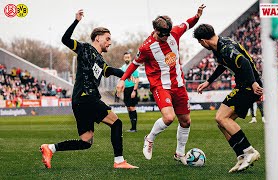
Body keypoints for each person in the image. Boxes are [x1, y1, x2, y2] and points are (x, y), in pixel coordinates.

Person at [39, 9, 138, 169]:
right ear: (98, 38)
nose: (110, 42)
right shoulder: (84, 48)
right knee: (117, 123)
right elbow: (65, 39)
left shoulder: (100, 60)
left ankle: (50, 148)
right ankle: (119, 161)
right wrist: (76, 21)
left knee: (86, 142)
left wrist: (126, 74)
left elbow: (110, 70)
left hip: (80, 101)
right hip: (86, 98)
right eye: (107, 39)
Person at [117, 4, 206, 165]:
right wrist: (123, 79)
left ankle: (179, 154)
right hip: (160, 86)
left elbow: (187, 24)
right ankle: (149, 138)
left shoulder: (174, 33)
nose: (167, 37)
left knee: (186, 121)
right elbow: (134, 64)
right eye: (164, 34)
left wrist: (197, 16)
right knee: (169, 117)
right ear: (156, 31)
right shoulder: (146, 47)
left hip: (178, 85)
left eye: (168, 34)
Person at [194, 24, 262, 172]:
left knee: (221, 118)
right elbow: (222, 66)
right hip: (245, 85)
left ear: (204, 41)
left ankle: (249, 151)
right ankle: (241, 156)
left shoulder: (226, 48)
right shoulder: (219, 46)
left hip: (248, 86)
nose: (201, 45)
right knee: (222, 123)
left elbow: (244, 62)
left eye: (200, 42)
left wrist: (253, 82)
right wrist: (208, 82)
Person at [120, 51, 139, 132]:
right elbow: (122, 79)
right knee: (128, 107)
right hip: (126, 90)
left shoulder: (133, 67)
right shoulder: (122, 68)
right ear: (124, 58)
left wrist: (134, 90)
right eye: (125, 57)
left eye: (128, 57)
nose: (127, 58)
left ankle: (134, 128)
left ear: (130, 58)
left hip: (132, 89)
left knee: (132, 107)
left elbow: (137, 80)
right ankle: (132, 127)